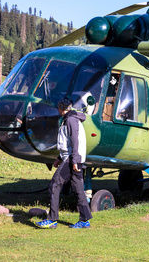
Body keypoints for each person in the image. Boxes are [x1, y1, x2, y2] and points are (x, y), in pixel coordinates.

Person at [35, 98, 93, 229]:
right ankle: (84, 220)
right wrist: (59, 158)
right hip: (72, 158)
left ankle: (52, 219)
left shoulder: (71, 120)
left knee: (54, 185)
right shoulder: (71, 118)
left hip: (72, 159)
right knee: (78, 190)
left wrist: (75, 161)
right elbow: (66, 143)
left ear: (60, 109)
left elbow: (75, 142)